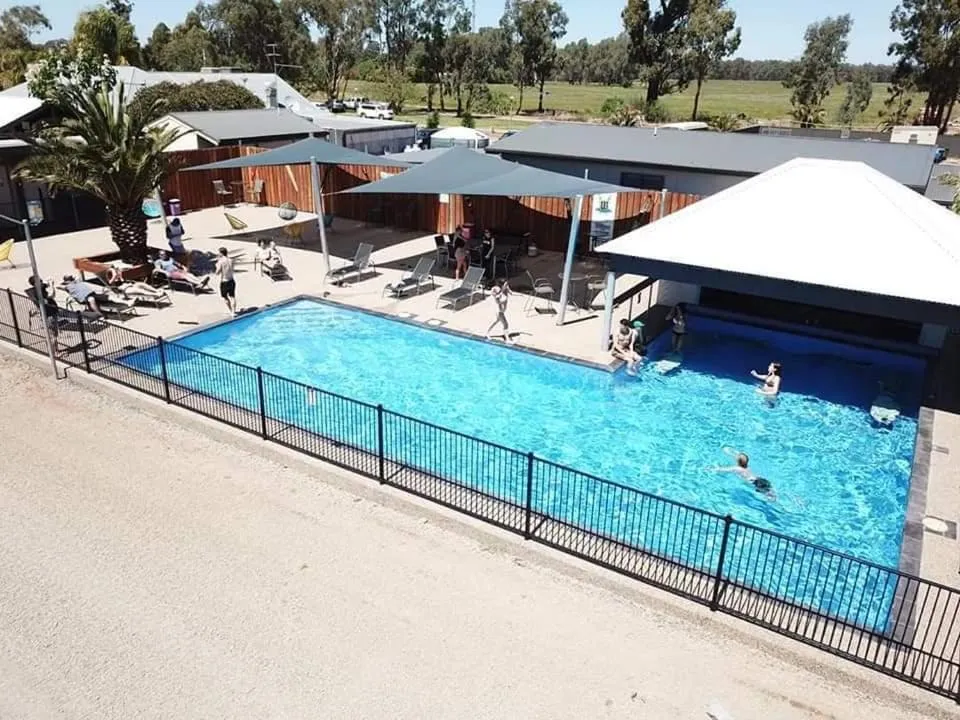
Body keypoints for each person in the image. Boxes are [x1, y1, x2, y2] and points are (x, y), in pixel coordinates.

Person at [711, 449, 777, 501]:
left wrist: (714, 468)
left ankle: (771, 498)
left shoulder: (737, 468)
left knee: (765, 494)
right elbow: (742, 458)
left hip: (753, 483)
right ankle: (773, 495)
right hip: (759, 479)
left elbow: (723, 469)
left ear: (737, 462)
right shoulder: (747, 467)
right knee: (768, 489)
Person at [61, 274, 132, 314]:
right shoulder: (67, 287)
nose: (71, 278)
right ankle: (99, 314)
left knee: (109, 297)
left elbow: (78, 277)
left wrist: (73, 279)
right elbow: (58, 286)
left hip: (92, 294)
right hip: (84, 298)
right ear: (67, 280)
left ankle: (127, 302)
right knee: (91, 299)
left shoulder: (77, 281)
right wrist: (65, 283)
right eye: (70, 278)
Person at [26, 276, 61, 350]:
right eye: (40, 281)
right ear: (36, 283)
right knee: (53, 335)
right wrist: (52, 285)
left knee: (54, 334)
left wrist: (48, 283)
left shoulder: (38, 289)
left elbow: (45, 285)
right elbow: (52, 295)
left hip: (51, 313)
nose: (42, 282)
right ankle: (54, 352)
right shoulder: (38, 293)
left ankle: (56, 350)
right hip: (49, 315)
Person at [105, 266, 169, 301]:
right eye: (115, 271)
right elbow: (111, 283)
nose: (117, 272)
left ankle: (156, 290)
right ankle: (155, 294)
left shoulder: (119, 276)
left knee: (141, 284)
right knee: (141, 290)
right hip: (124, 290)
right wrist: (115, 275)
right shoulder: (111, 280)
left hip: (130, 285)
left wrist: (120, 274)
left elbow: (127, 268)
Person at [214, 246, 236, 314]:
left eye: (219, 253)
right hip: (231, 280)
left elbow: (217, 273)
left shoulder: (221, 261)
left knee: (225, 297)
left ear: (221, 253)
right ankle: (233, 311)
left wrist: (216, 265)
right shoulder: (231, 260)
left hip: (224, 281)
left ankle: (230, 311)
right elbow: (232, 269)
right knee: (232, 297)